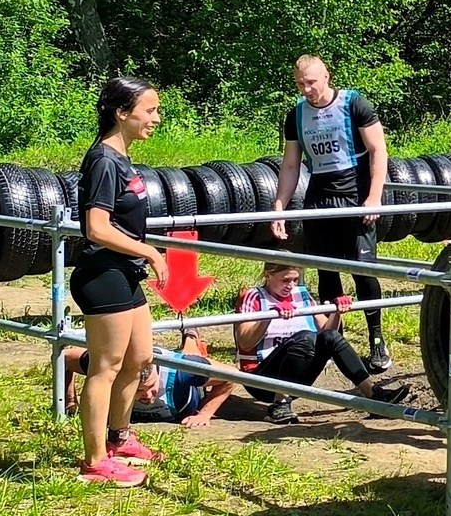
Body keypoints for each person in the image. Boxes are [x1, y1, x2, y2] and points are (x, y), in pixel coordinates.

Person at [72, 75, 170, 487]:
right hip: (103, 273)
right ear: (121, 113)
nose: (156, 118)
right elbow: (96, 227)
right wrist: (149, 251)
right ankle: (95, 461)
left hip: (125, 272)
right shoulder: (104, 161)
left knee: (140, 358)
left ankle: (119, 438)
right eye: (150, 110)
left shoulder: (123, 158)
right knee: (106, 367)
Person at [269, 55, 393, 371]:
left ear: (326, 76)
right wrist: (280, 206)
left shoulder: (354, 104)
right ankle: (333, 341)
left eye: (311, 82)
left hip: (356, 195)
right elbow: (291, 165)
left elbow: (378, 150)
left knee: (362, 270)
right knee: (326, 271)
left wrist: (374, 197)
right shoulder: (296, 115)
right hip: (319, 198)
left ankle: (376, 338)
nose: (306, 89)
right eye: (300, 84)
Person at [233, 262, 394, 423]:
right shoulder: (253, 296)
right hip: (260, 380)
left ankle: (374, 395)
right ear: (268, 275)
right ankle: (279, 404)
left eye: (295, 280)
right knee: (306, 337)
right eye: (285, 280)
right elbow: (245, 343)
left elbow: (328, 334)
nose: (291, 285)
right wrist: (269, 316)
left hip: (297, 375)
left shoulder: (300, 295)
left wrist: (336, 312)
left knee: (329, 336)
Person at [60, 337, 222, 427]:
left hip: (189, 391)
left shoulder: (182, 372)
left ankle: (191, 338)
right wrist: (70, 402)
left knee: (192, 355)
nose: (148, 396)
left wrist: (205, 413)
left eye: (151, 387)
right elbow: (64, 358)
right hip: (130, 358)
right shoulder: (108, 367)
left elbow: (229, 378)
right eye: (138, 391)